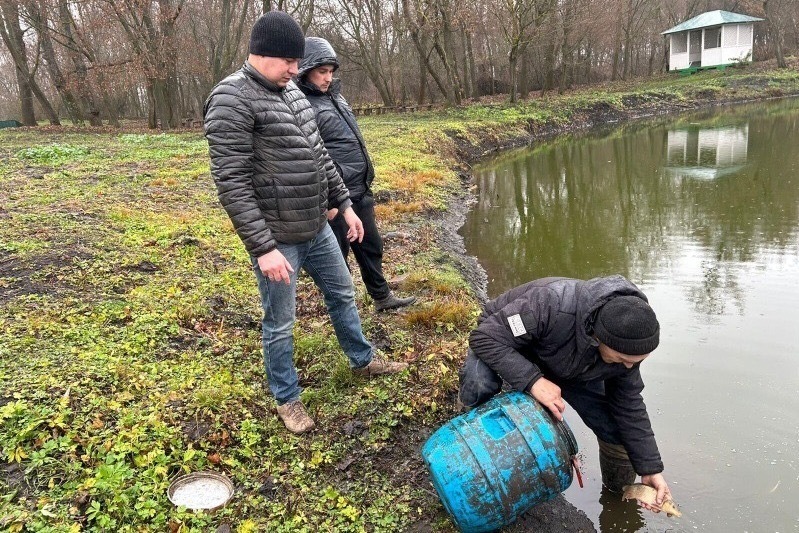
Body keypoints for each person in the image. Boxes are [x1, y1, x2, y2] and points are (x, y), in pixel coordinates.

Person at [203, 11, 407, 435]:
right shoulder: (231, 99)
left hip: (317, 227)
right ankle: (287, 398)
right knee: (280, 323)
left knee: (343, 294)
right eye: (289, 61)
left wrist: (345, 206)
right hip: (278, 239)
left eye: (299, 62)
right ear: (262, 53)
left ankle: (362, 359)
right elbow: (232, 183)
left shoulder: (293, 92)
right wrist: (263, 249)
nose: (297, 70)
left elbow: (320, 156)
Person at [458, 275, 673, 512]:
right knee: (479, 383)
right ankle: (471, 441)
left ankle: (617, 498)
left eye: (637, 361)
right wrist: (533, 381)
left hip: (572, 365)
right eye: (623, 359)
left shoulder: (628, 347)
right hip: (510, 342)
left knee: (616, 430)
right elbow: (485, 337)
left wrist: (650, 467)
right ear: (599, 337)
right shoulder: (550, 303)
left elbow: (628, 404)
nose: (629, 366)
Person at [296, 37, 416, 312]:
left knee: (371, 245)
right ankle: (343, 309)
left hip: (359, 190)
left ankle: (382, 297)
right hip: (335, 197)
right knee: (337, 258)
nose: (328, 78)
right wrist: (330, 201)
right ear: (306, 71)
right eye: (321, 72)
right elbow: (312, 158)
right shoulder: (303, 106)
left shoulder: (336, 97)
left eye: (331, 71)